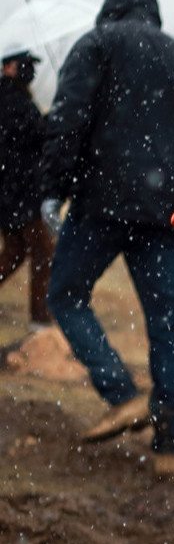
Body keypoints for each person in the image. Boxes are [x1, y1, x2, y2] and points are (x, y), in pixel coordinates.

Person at [40, 0, 174, 478]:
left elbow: (67, 121)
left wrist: (53, 190)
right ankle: (170, 446)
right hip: (171, 215)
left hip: (101, 204)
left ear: (112, 7)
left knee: (65, 295)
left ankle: (122, 393)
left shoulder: (96, 45)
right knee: (167, 328)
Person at [0, 45, 54, 332]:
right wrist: (50, 120)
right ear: (8, 67)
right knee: (43, 251)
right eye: (23, 64)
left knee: (15, 252)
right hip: (18, 194)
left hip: (13, 192)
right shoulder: (11, 100)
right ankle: (40, 319)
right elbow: (31, 136)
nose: (28, 70)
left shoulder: (15, 98)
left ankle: (40, 316)